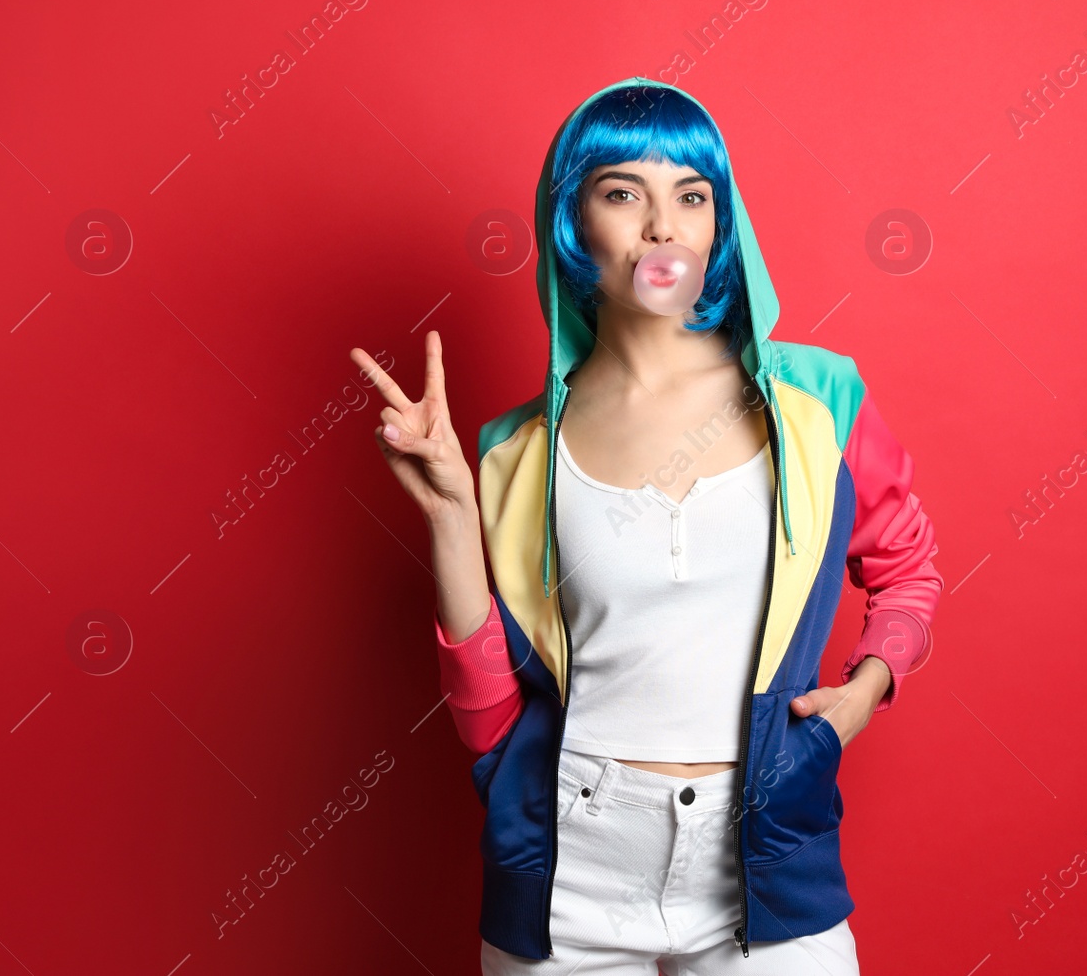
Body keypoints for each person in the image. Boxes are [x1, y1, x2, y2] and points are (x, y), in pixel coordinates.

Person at [352, 77, 943, 974]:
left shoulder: (817, 401)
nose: (663, 226)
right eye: (624, 192)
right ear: (573, 223)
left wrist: (864, 691)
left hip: (768, 859)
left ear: (720, 223)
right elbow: (488, 711)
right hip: (566, 881)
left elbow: (909, 571)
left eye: (692, 196)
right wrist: (449, 509)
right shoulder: (516, 452)